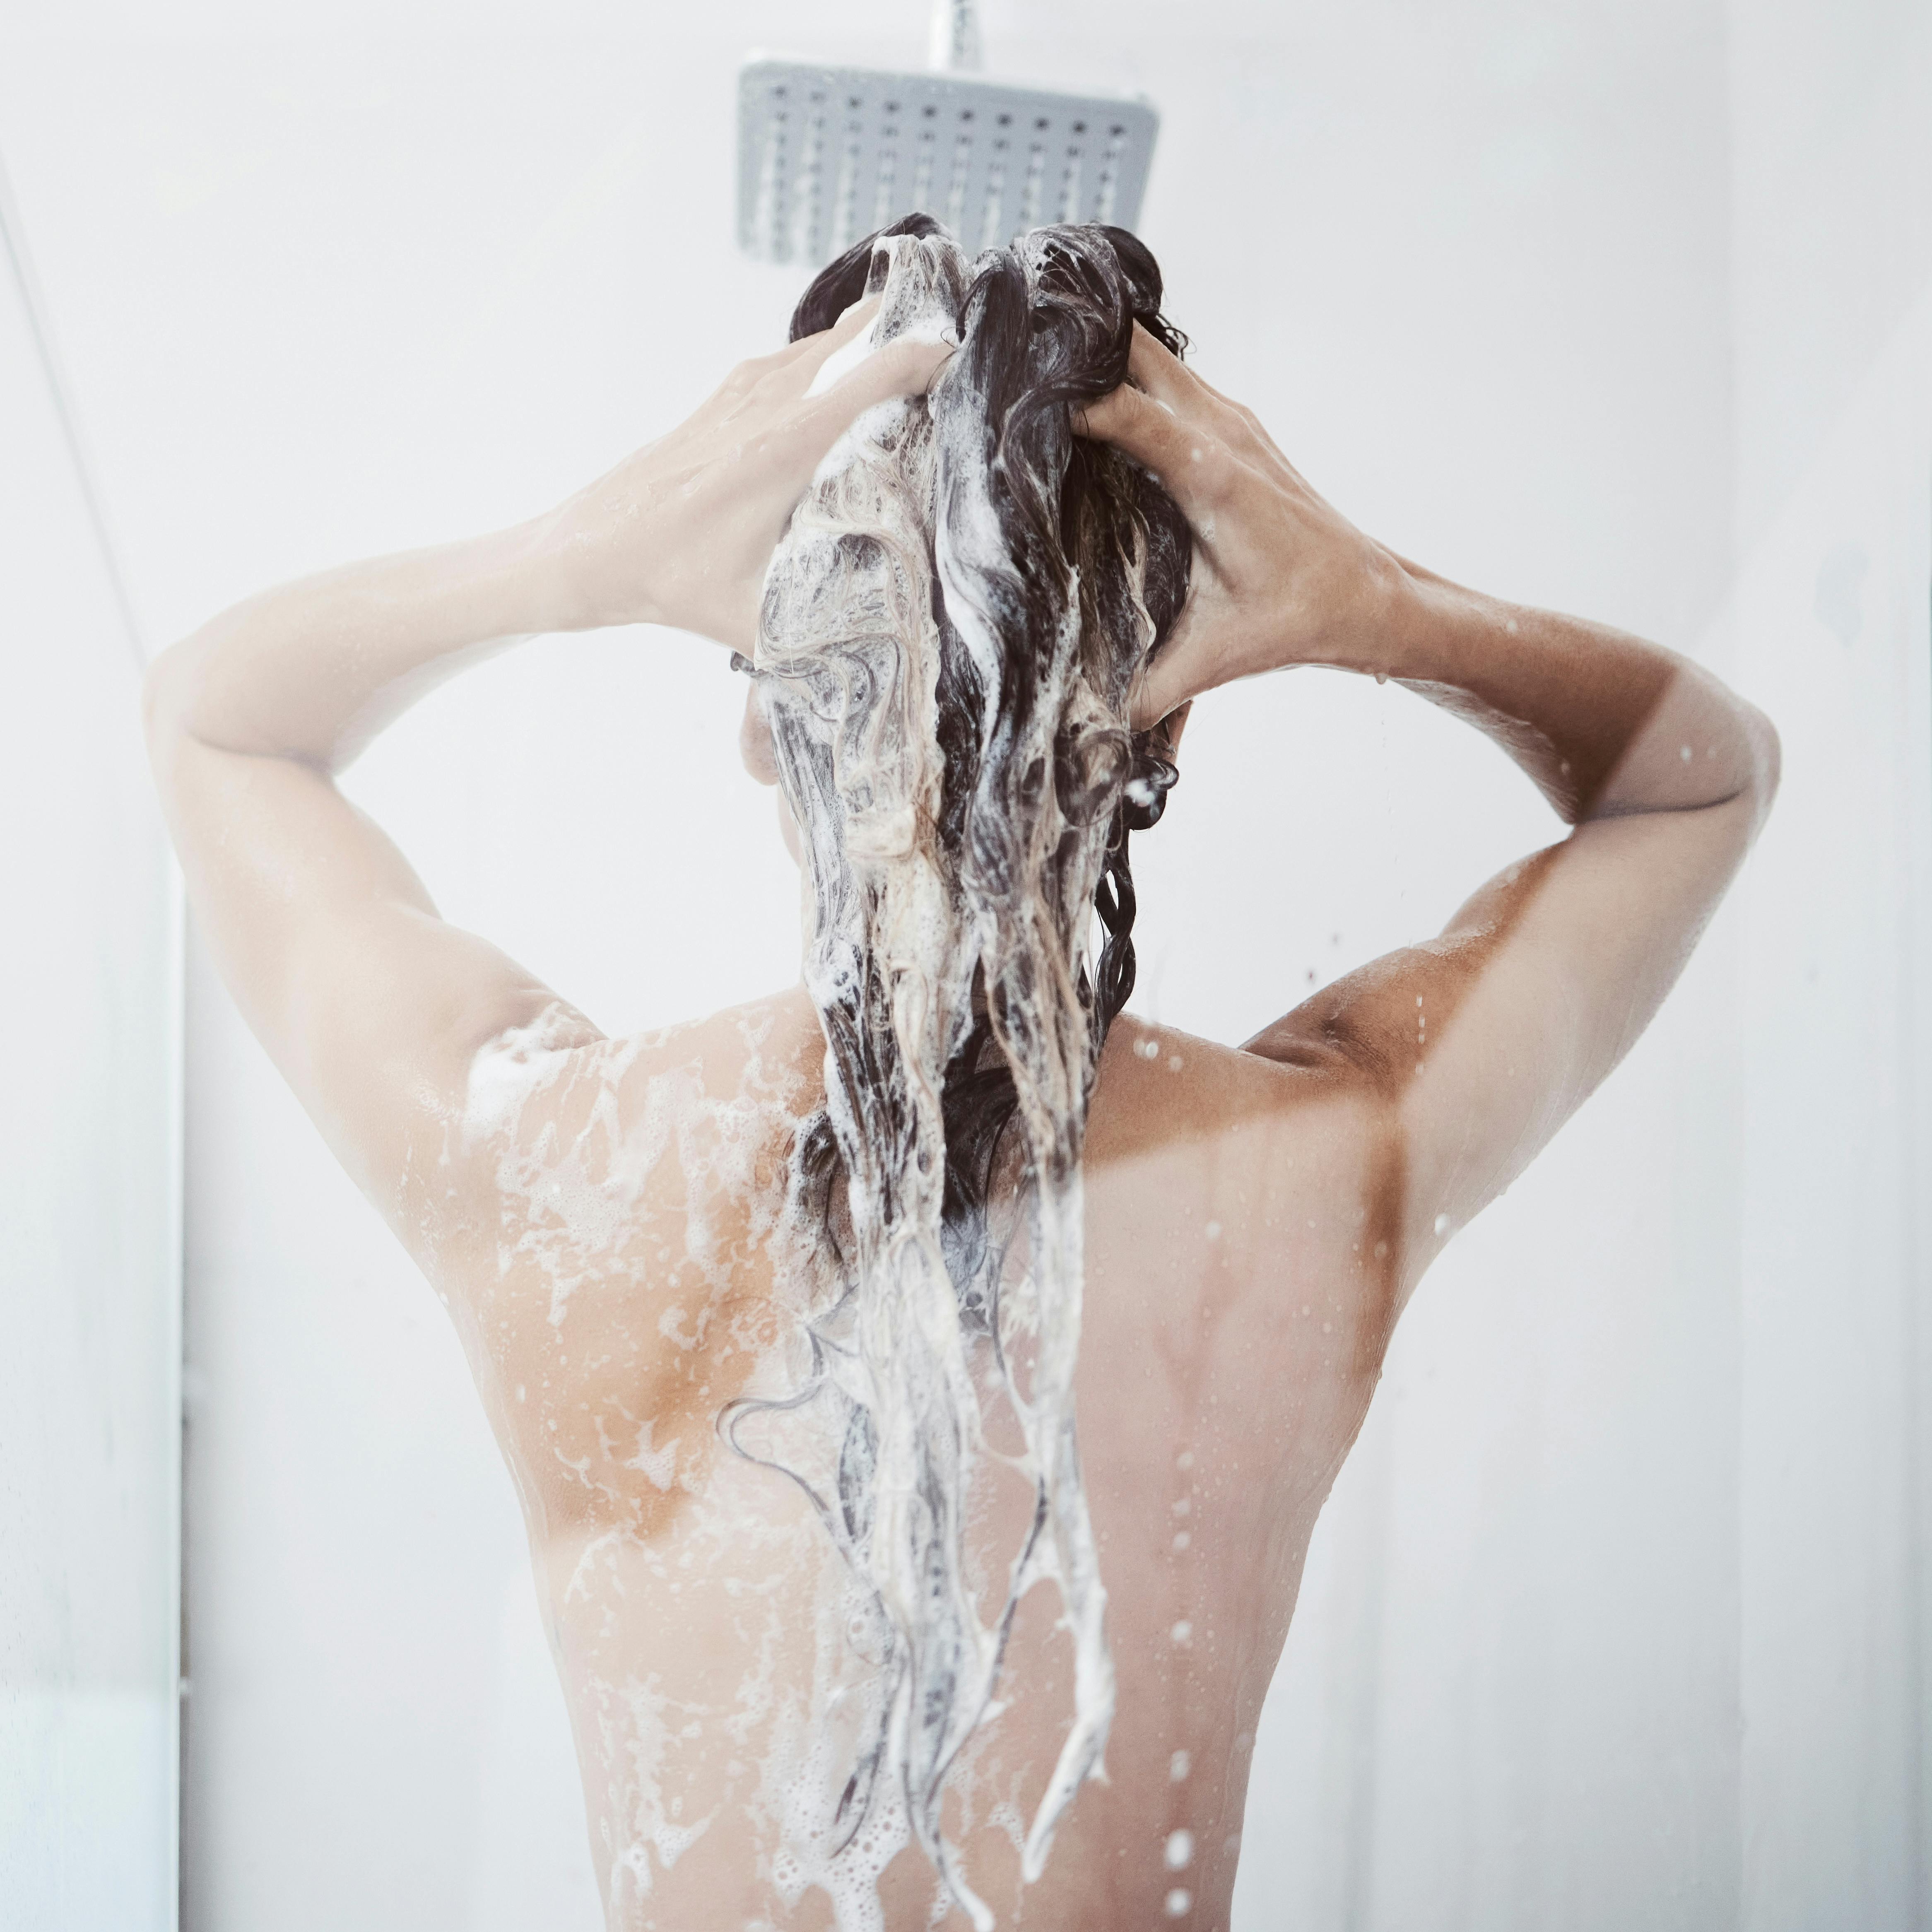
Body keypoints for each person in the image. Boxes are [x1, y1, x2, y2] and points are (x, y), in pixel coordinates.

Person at [143, 218, 1778, 1932]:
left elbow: (212, 725)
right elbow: (1700, 784)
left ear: (765, 711)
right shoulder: (1316, 1173)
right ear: (1170, 715)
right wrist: (1367, 599)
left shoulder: (562, 1177)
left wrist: (579, 557)